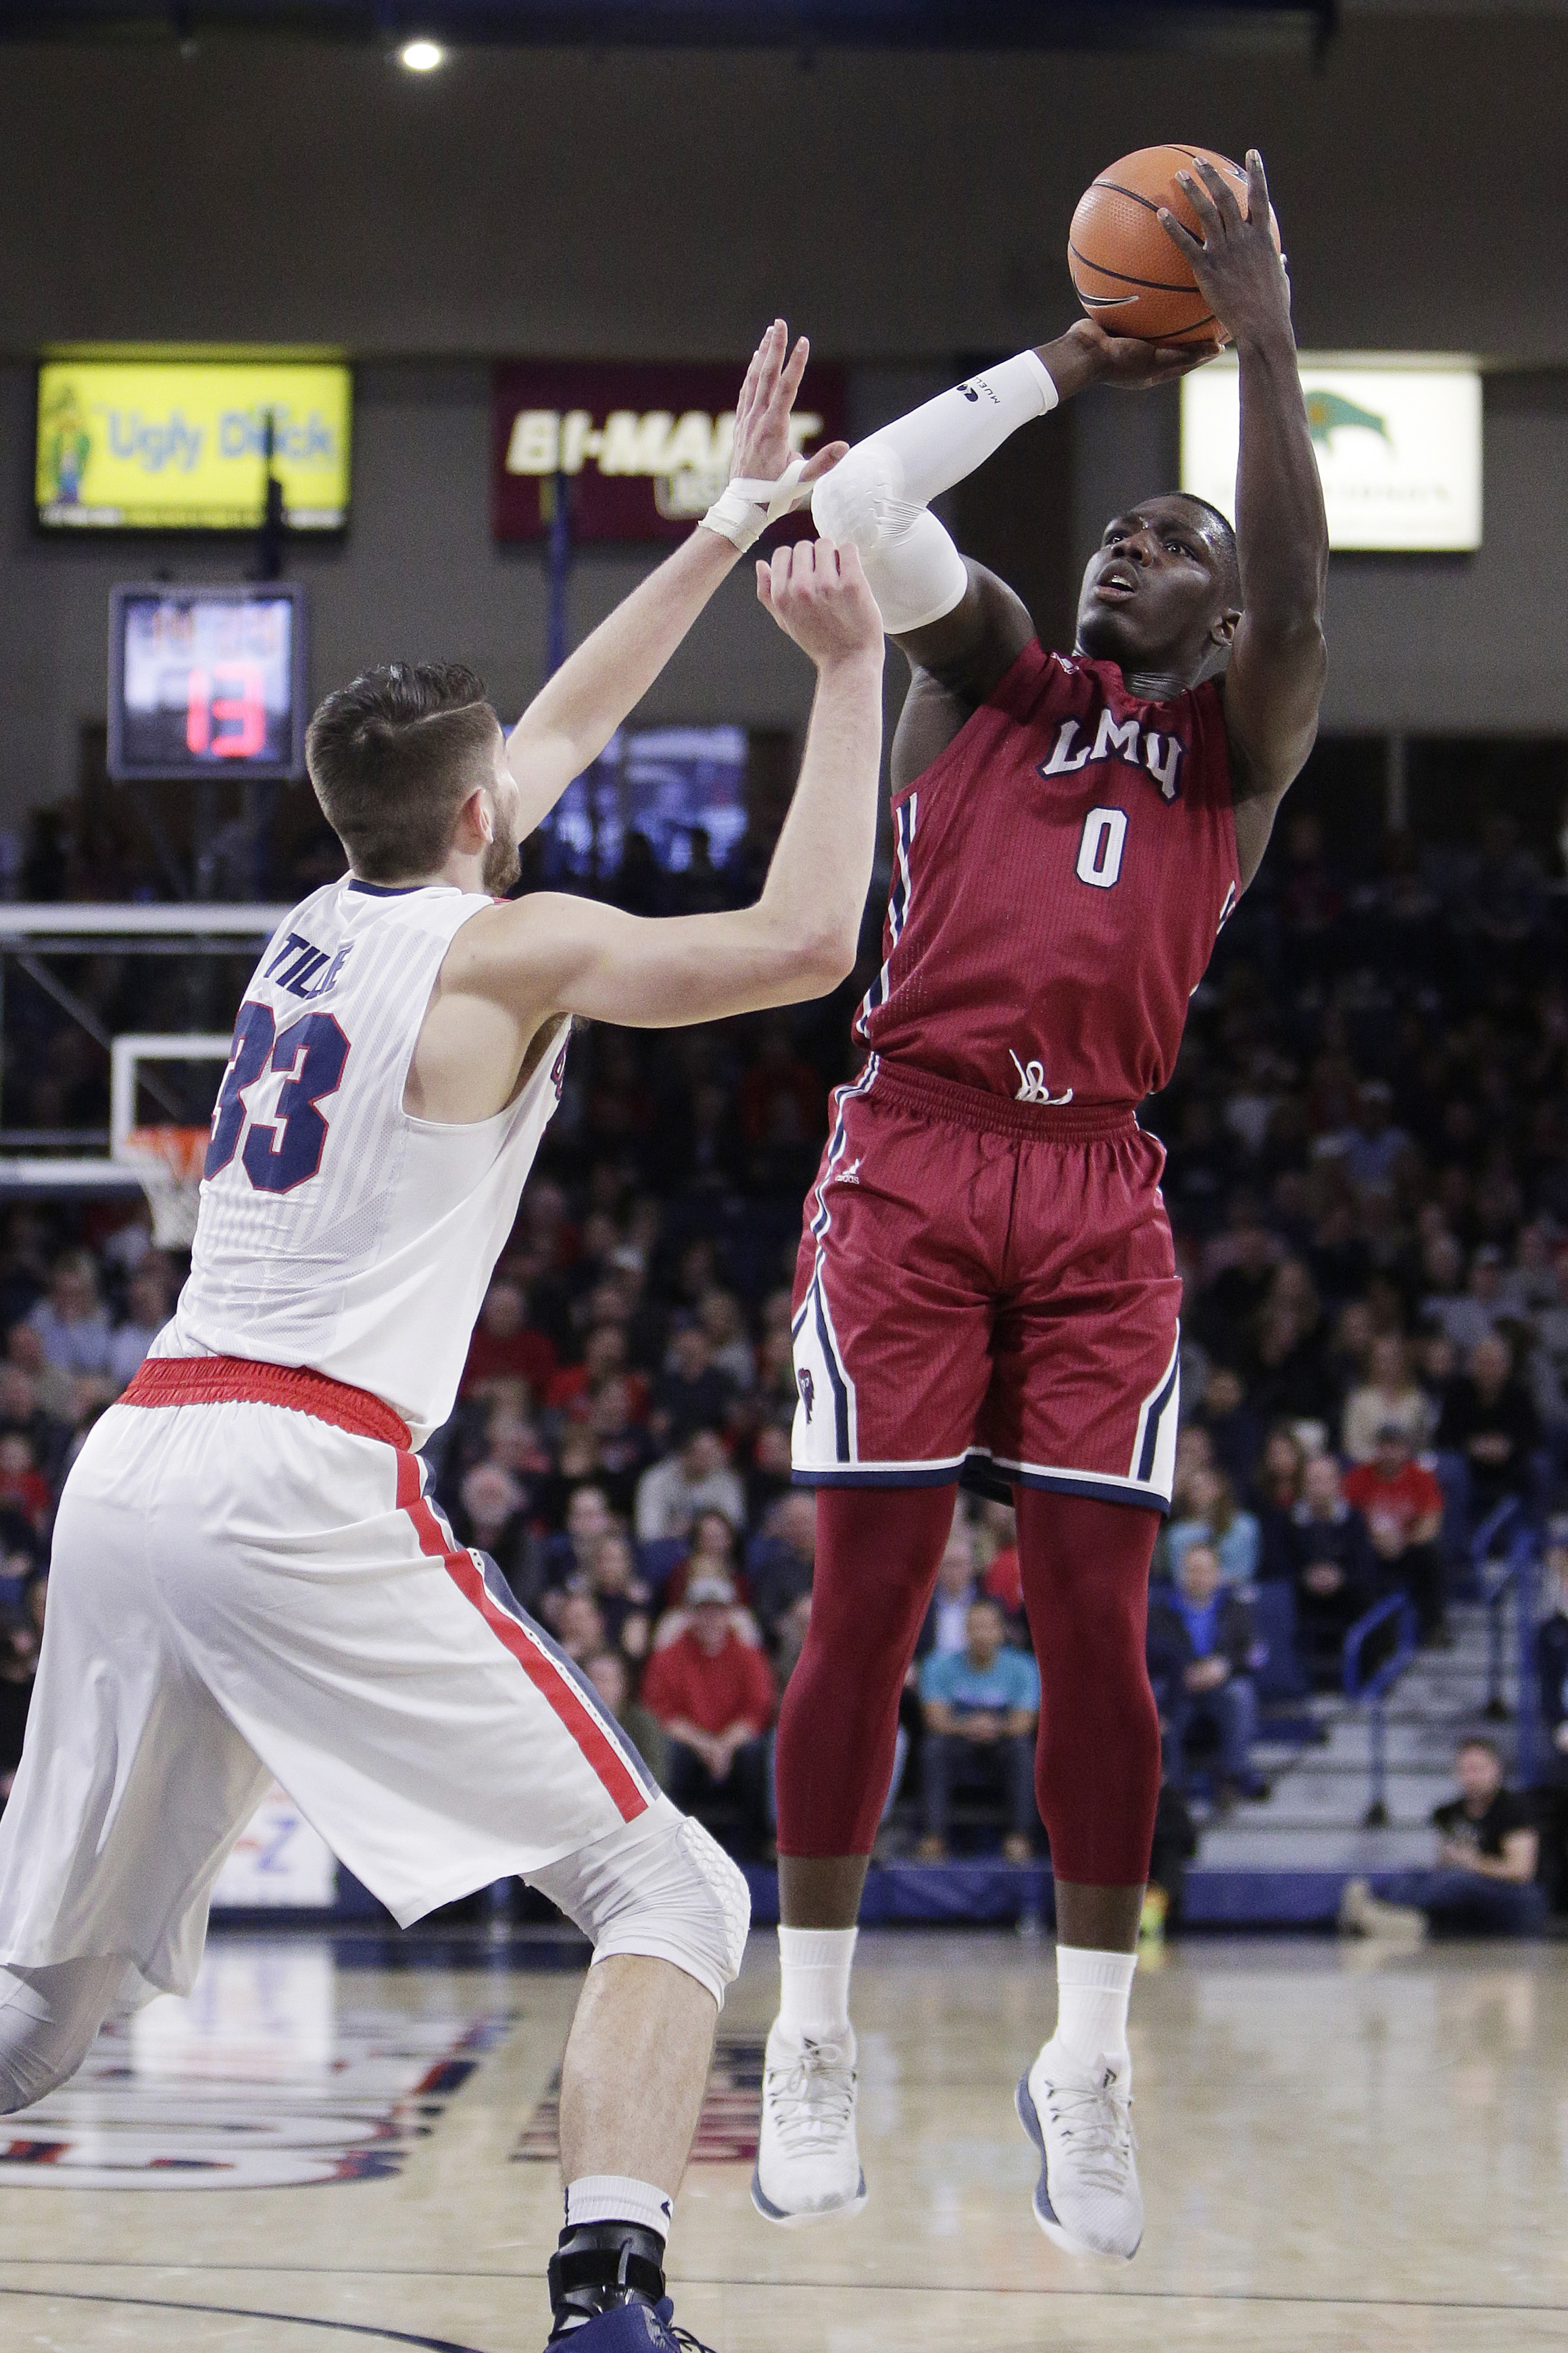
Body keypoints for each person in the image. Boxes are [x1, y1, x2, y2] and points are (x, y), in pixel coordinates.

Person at [0, 320, 879, 2353]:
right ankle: (608, 2300)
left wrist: (729, 516)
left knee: (36, 2011)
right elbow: (806, 943)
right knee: (675, 1893)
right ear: (484, 811)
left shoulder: (325, 919)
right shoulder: (507, 942)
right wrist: (845, 670)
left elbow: (553, 721)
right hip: (298, 1471)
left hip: (137, 1461)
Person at [761, 150, 1327, 2264]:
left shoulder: (1234, 754)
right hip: (906, 1148)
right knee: (871, 1604)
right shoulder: (984, 678)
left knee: (1098, 1628)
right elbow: (860, 515)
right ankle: (807, 2026)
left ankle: (1085, 2055)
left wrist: (1257, 341)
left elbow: (1293, 598)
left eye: (1169, 536)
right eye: (1121, 514)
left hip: (1095, 1185)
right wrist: (1058, 361)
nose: (1133, 538)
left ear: (1214, 617)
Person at [1340, 1737, 1546, 1939]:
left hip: (1511, 1895)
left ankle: (1383, 1912)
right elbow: (1442, 1864)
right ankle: (1380, 1908)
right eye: (1466, 1770)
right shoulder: (1448, 1813)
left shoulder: (1515, 1809)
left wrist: (1471, 1863)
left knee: (1456, 1881)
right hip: (1462, 1890)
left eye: (1479, 1769)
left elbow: (1521, 1871)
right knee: (1414, 1875)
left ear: (1496, 1770)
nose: (1472, 1777)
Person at [639, 1574, 777, 1861]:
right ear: (690, 1614)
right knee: (669, 1752)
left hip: (734, 1747)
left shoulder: (749, 1655)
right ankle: (669, 1845)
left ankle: (760, 1845)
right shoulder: (669, 1655)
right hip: (690, 1745)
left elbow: (758, 1710)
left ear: (729, 1615)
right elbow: (661, 1712)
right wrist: (706, 1745)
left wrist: (724, 1746)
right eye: (703, 1610)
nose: (711, 1619)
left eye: (718, 1610)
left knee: (757, 1753)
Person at [916, 1597, 1040, 1863]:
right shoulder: (939, 1665)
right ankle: (934, 1837)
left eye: (988, 1627)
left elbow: (1024, 1722)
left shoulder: (1023, 1667)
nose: (981, 1634)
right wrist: (969, 1726)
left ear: (1001, 1631)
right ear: (965, 1631)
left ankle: (1020, 1838)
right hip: (959, 1744)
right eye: (975, 1627)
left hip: (1002, 1745)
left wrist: (993, 1727)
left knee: (1022, 1748)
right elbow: (934, 1718)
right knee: (933, 1748)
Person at [1146, 1542, 1263, 1808]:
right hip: (1179, 1686)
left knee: (1241, 1694)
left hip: (1221, 1685)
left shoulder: (1236, 1607)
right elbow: (1153, 1654)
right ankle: (1172, 1789)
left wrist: (1225, 1666)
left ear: (1217, 1574)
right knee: (1156, 1697)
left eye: (1204, 1570)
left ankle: (1231, 1778)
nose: (1198, 1577)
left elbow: (1254, 1653)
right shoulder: (1160, 1612)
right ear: (1181, 1574)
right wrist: (1184, 1673)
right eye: (1192, 1570)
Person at [1341, 1424, 1447, 1645]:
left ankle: (1434, 1627)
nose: (1389, 1453)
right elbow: (1345, 1519)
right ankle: (1379, 1642)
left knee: (1430, 1555)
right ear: (1376, 1449)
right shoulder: (1358, 1477)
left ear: (1405, 1450)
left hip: (1408, 1547)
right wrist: (1374, 1541)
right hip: (1370, 1549)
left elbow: (1431, 1521)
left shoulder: (1420, 1477)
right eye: (1384, 1447)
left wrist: (1402, 1542)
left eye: (1395, 1447)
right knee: (1358, 1565)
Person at [1286, 1452, 1375, 1687]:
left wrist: (1340, 1577)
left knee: (1369, 1595)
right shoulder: (1287, 1522)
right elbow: (1277, 1565)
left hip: (1347, 1597)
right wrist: (1306, 1578)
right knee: (1278, 1597)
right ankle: (1291, 1681)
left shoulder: (1355, 1520)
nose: (1319, 1487)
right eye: (1313, 1481)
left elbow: (1365, 1565)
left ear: (1338, 1483)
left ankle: (1366, 1679)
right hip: (1302, 1598)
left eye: (1325, 1480)